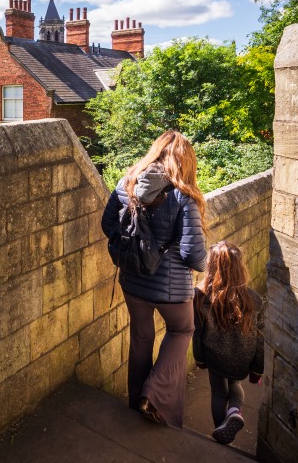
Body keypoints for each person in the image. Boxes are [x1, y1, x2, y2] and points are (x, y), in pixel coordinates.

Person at [101, 130, 207, 428]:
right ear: (184, 160)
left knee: (141, 338)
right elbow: (194, 256)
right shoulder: (182, 196)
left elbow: (107, 224)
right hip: (171, 290)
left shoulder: (127, 184)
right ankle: (154, 395)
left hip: (132, 281)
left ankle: (136, 403)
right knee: (182, 330)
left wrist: (133, 246)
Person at [193, 241, 265, 445]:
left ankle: (221, 433)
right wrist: (258, 368)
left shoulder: (201, 296)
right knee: (235, 384)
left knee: (218, 391)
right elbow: (260, 337)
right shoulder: (255, 299)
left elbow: (197, 331)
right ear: (240, 267)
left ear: (211, 266)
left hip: (214, 355)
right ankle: (234, 412)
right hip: (242, 357)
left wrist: (199, 358)